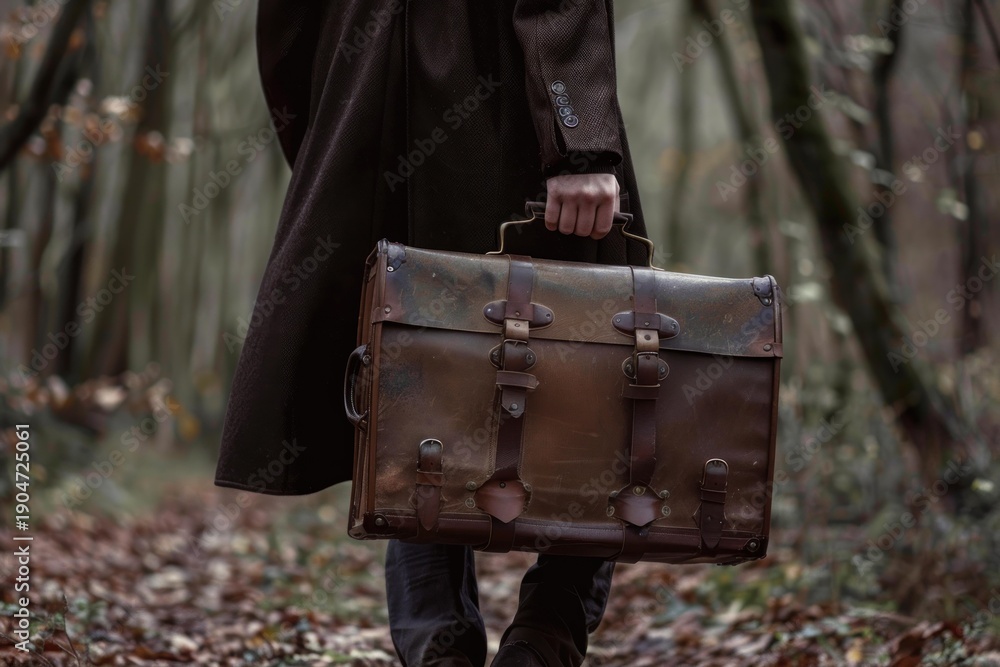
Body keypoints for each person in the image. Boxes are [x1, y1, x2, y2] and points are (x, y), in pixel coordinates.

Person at [214, 1, 650, 665]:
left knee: (438, 372)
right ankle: (510, 637)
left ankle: (499, 637)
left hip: (386, 102)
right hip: (495, 102)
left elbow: (284, 33)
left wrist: (334, 124)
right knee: (566, 368)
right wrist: (576, 138)